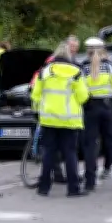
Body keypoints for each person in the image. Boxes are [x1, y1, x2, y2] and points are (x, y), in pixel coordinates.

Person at [30, 42, 90, 197]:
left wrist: (38, 111)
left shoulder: (45, 72)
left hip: (49, 119)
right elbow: (83, 97)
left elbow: (35, 95)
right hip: (69, 121)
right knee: (70, 154)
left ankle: (44, 187)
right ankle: (73, 188)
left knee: (48, 153)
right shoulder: (76, 72)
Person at [80, 37, 112, 192]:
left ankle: (90, 182)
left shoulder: (84, 68)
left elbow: (81, 90)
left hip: (91, 108)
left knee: (90, 146)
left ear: (88, 51)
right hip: (109, 108)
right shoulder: (110, 66)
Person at [29, 53, 67, 183]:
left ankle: (51, 176)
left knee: (50, 146)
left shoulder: (40, 73)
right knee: (52, 147)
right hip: (50, 113)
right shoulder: (47, 74)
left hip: (44, 113)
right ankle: (55, 175)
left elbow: (33, 92)